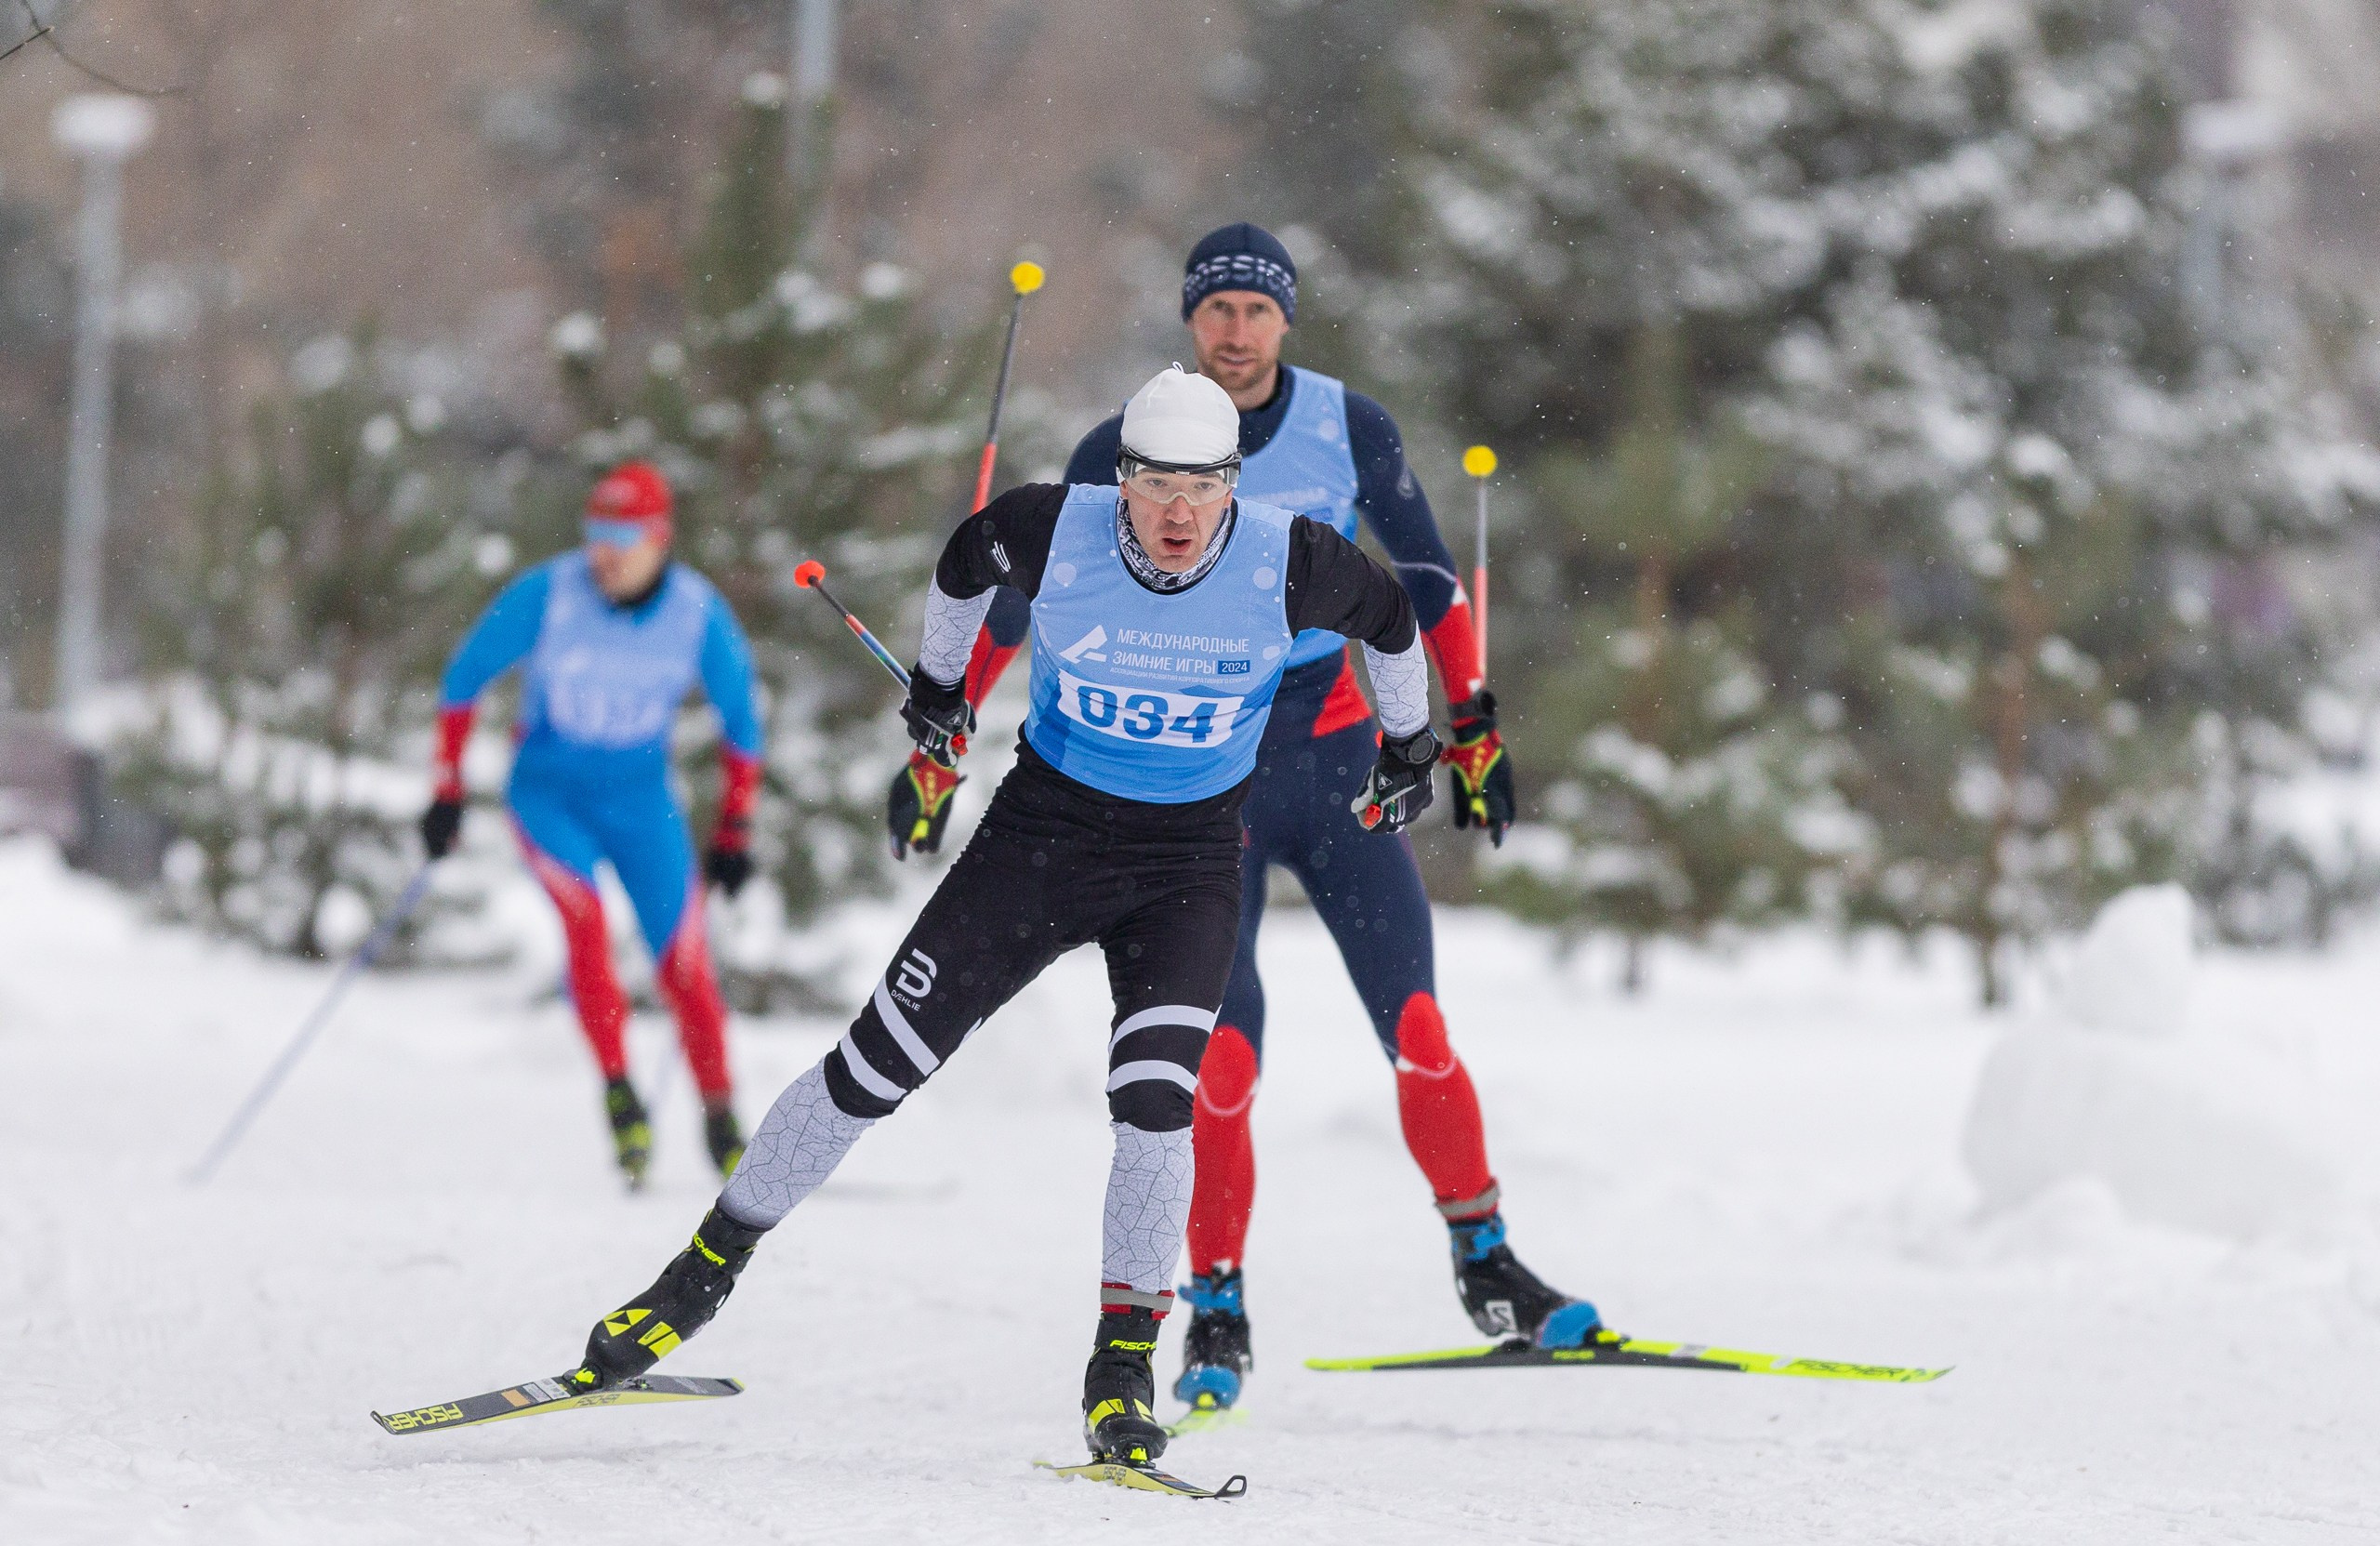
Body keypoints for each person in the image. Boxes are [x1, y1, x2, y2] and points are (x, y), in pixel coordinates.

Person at [566, 367, 1440, 1469]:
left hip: (1186, 865)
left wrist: (1414, 748)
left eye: (1202, 486)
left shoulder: (1292, 558)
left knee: (1155, 1105)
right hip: (1040, 844)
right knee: (872, 1067)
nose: (1177, 511)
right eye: (1155, 482)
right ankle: (688, 1284)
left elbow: (1395, 620)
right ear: (1122, 479)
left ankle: (1122, 1370)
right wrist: (939, 689)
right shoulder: (1051, 528)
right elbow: (964, 558)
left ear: (1233, 485)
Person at [891, 224, 1605, 1415]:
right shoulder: (1127, 446)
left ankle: (1486, 1261)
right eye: (1214, 309)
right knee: (1218, 1060)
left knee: (1418, 1023)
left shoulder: (1349, 426)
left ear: (1285, 323)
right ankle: (1214, 1298)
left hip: (1330, 765)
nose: (1234, 331)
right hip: (1200, 791)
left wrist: (1466, 723)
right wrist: (947, 721)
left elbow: (1422, 580)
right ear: (1189, 323)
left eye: (1255, 311)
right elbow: (1027, 593)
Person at [422, 460, 761, 1190]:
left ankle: (722, 1117)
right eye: (595, 533)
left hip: (642, 801)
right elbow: (463, 679)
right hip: (550, 795)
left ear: (660, 537)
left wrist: (736, 828)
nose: (603, 552)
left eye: (623, 536)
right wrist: (446, 789)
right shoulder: (551, 593)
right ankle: (620, 1094)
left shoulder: (695, 614)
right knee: (585, 923)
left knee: (685, 960)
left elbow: (743, 723)